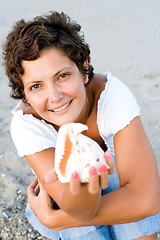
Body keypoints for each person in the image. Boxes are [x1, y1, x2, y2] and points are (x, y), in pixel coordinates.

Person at [2, 11, 160, 240]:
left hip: (117, 187)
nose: (54, 96)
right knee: (62, 188)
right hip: (70, 200)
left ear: (83, 69)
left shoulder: (110, 95)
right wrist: (85, 186)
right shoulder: (27, 125)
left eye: (62, 76)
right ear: (24, 94)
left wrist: (55, 219)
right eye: (36, 86)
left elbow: (147, 200)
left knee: (112, 161)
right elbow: (73, 204)